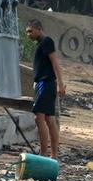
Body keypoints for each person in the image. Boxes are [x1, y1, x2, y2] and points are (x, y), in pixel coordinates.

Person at [25, 19, 66, 159]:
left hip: (46, 83)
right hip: (42, 84)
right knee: (49, 119)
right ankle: (53, 156)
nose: (28, 34)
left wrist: (60, 84)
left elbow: (55, 62)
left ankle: (44, 153)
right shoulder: (39, 44)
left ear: (39, 29)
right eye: (27, 32)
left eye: (30, 31)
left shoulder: (47, 41)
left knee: (39, 118)